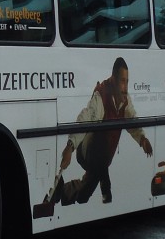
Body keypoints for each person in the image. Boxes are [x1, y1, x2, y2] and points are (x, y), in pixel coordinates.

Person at [46, 57, 152, 206]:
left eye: (127, 81)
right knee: (102, 135)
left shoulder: (125, 100)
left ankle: (61, 190)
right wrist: (70, 146)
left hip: (102, 161)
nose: (125, 87)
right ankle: (106, 187)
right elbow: (86, 118)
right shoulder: (101, 96)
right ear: (114, 80)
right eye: (122, 81)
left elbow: (132, 119)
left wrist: (142, 139)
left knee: (83, 196)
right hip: (87, 151)